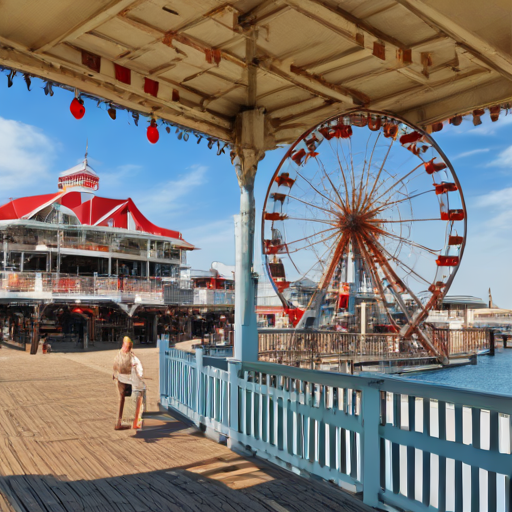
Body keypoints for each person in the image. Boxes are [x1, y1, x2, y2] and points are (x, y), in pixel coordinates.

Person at [112, 336, 145, 430]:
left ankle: (119, 422)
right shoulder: (132, 357)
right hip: (129, 381)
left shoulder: (120, 354)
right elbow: (139, 371)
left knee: (122, 399)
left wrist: (115, 375)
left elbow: (115, 366)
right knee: (138, 396)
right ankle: (135, 422)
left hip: (121, 380)